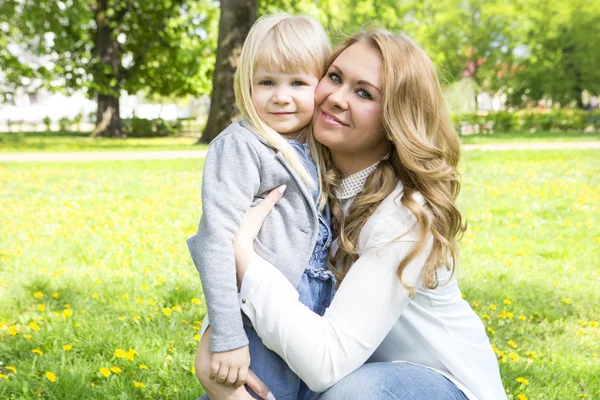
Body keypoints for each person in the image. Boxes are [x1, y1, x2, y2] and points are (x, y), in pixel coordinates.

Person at [196, 29, 507, 400]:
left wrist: (243, 254)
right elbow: (269, 270)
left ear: (396, 116)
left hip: (437, 383)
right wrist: (219, 336)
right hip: (342, 371)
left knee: (353, 394)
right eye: (334, 77)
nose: (336, 98)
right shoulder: (301, 177)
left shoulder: (405, 215)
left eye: (364, 93)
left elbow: (325, 363)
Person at [187, 13, 334, 400]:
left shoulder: (315, 147)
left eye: (298, 82)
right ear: (245, 84)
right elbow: (215, 242)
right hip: (256, 320)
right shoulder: (241, 146)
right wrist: (228, 336)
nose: (281, 96)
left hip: (308, 316)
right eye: (266, 82)